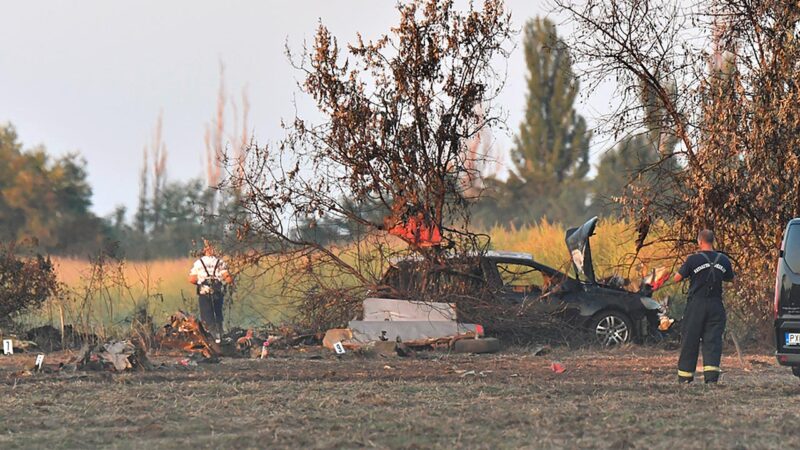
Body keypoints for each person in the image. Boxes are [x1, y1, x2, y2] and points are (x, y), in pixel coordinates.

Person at [672, 229, 734, 384]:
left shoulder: (693, 259)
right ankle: (711, 379)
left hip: (696, 305)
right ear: (713, 241)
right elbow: (732, 280)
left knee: (690, 340)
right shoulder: (724, 259)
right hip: (716, 304)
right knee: (713, 341)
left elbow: (677, 278)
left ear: (699, 241)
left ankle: (685, 378)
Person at [188, 241, 233, 343]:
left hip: (204, 292)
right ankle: (220, 336)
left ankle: (211, 339)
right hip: (217, 291)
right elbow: (228, 279)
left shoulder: (199, 263)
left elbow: (191, 279)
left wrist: (201, 282)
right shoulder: (220, 262)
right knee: (218, 314)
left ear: (204, 251)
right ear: (215, 250)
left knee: (206, 316)